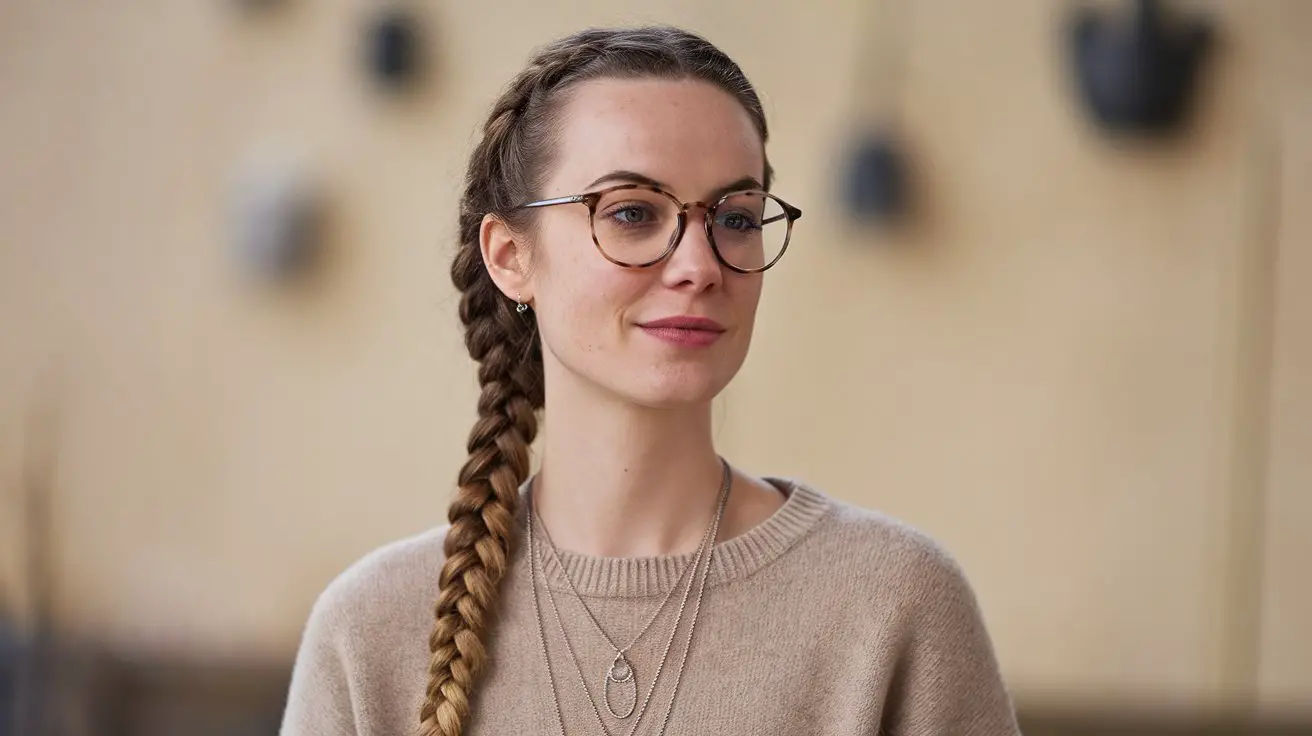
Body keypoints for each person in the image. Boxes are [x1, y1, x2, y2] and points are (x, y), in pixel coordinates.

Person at [280, 25, 1020, 736]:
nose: (699, 264)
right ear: (511, 256)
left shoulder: (895, 603)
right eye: (632, 212)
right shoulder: (372, 630)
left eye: (735, 218)